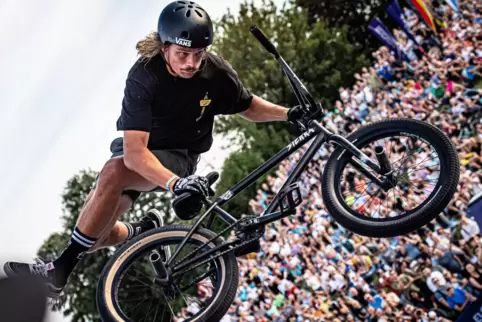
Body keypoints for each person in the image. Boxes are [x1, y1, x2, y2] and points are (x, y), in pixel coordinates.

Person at [3, 1, 304, 298]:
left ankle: (59, 272)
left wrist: (289, 114)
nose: (191, 63)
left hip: (179, 157)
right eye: (182, 54)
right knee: (94, 236)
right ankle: (140, 231)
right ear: (164, 48)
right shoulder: (144, 77)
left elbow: (247, 105)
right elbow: (135, 154)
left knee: (113, 172)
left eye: (198, 54)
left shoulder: (215, 72)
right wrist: (176, 186)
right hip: (140, 156)